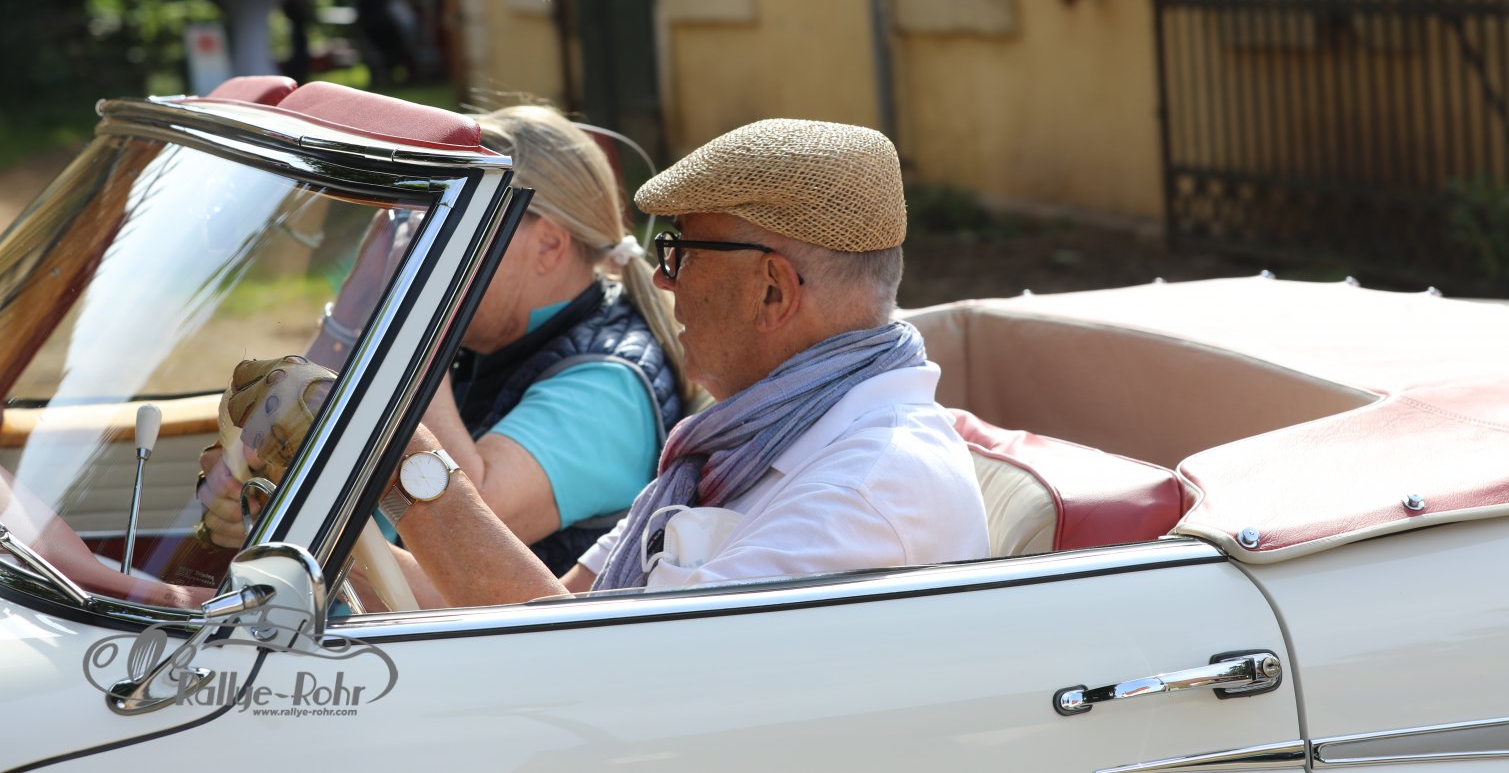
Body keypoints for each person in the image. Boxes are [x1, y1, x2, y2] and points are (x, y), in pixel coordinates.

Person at [388, 118, 989, 607]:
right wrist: (341, 544)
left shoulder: (855, 496)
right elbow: (559, 608)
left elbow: (590, 669)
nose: (662, 277)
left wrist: (402, 459)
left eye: (682, 252)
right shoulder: (746, 442)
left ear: (772, 291)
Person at [198, 104, 691, 590]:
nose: (434, 242)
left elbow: (454, 530)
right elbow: (282, 431)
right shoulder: (491, 336)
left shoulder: (609, 387)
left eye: (462, 223)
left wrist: (414, 313)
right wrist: (355, 307)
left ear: (548, 246)